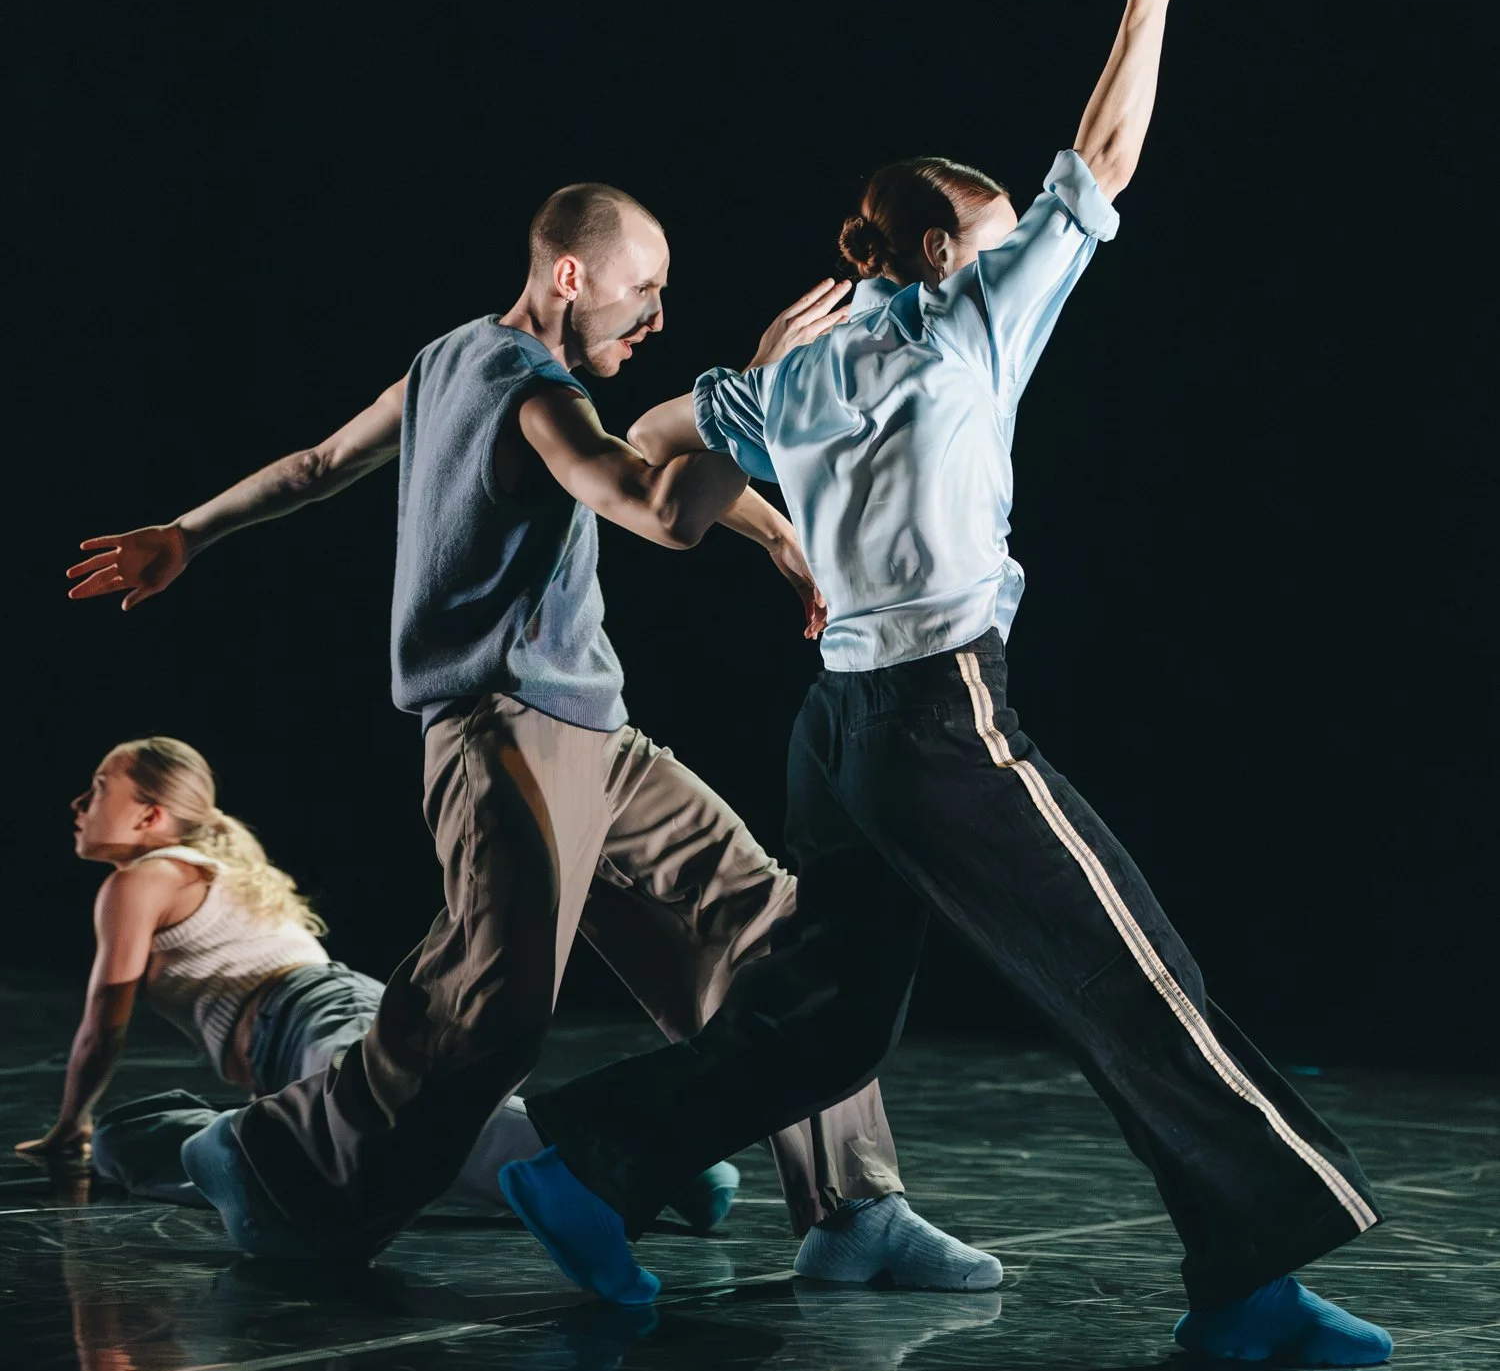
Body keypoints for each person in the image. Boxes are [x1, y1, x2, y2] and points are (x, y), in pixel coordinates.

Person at [497, 0, 1395, 1365]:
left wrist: (671, 490)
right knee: (1134, 976)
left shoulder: (790, 373)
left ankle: (582, 1162)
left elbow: (658, 434)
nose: (1015, 246)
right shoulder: (968, 322)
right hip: (936, 715)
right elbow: (1103, 154)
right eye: (986, 233)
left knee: (829, 1016)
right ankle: (1252, 1279)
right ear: (932, 254)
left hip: (837, 728)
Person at [67, 197, 997, 1289]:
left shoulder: (447, 361)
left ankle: (851, 1208)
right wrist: (757, 393)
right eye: (642, 293)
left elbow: (321, 463)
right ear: (569, 277)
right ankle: (273, 1162)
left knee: (775, 929)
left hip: (600, 741)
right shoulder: (532, 395)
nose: (654, 318)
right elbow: (649, 505)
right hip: (503, 736)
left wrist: (189, 531)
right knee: (490, 1010)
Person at [18, 733, 620, 1219]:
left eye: (98, 789)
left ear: (149, 815)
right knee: (128, 1137)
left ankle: (638, 1165)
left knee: (416, 1122)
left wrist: (70, 1125)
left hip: (312, 1014)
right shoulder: (194, 868)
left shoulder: (140, 879)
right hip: (307, 1033)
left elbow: (104, 1025)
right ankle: (260, 1156)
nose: (79, 804)